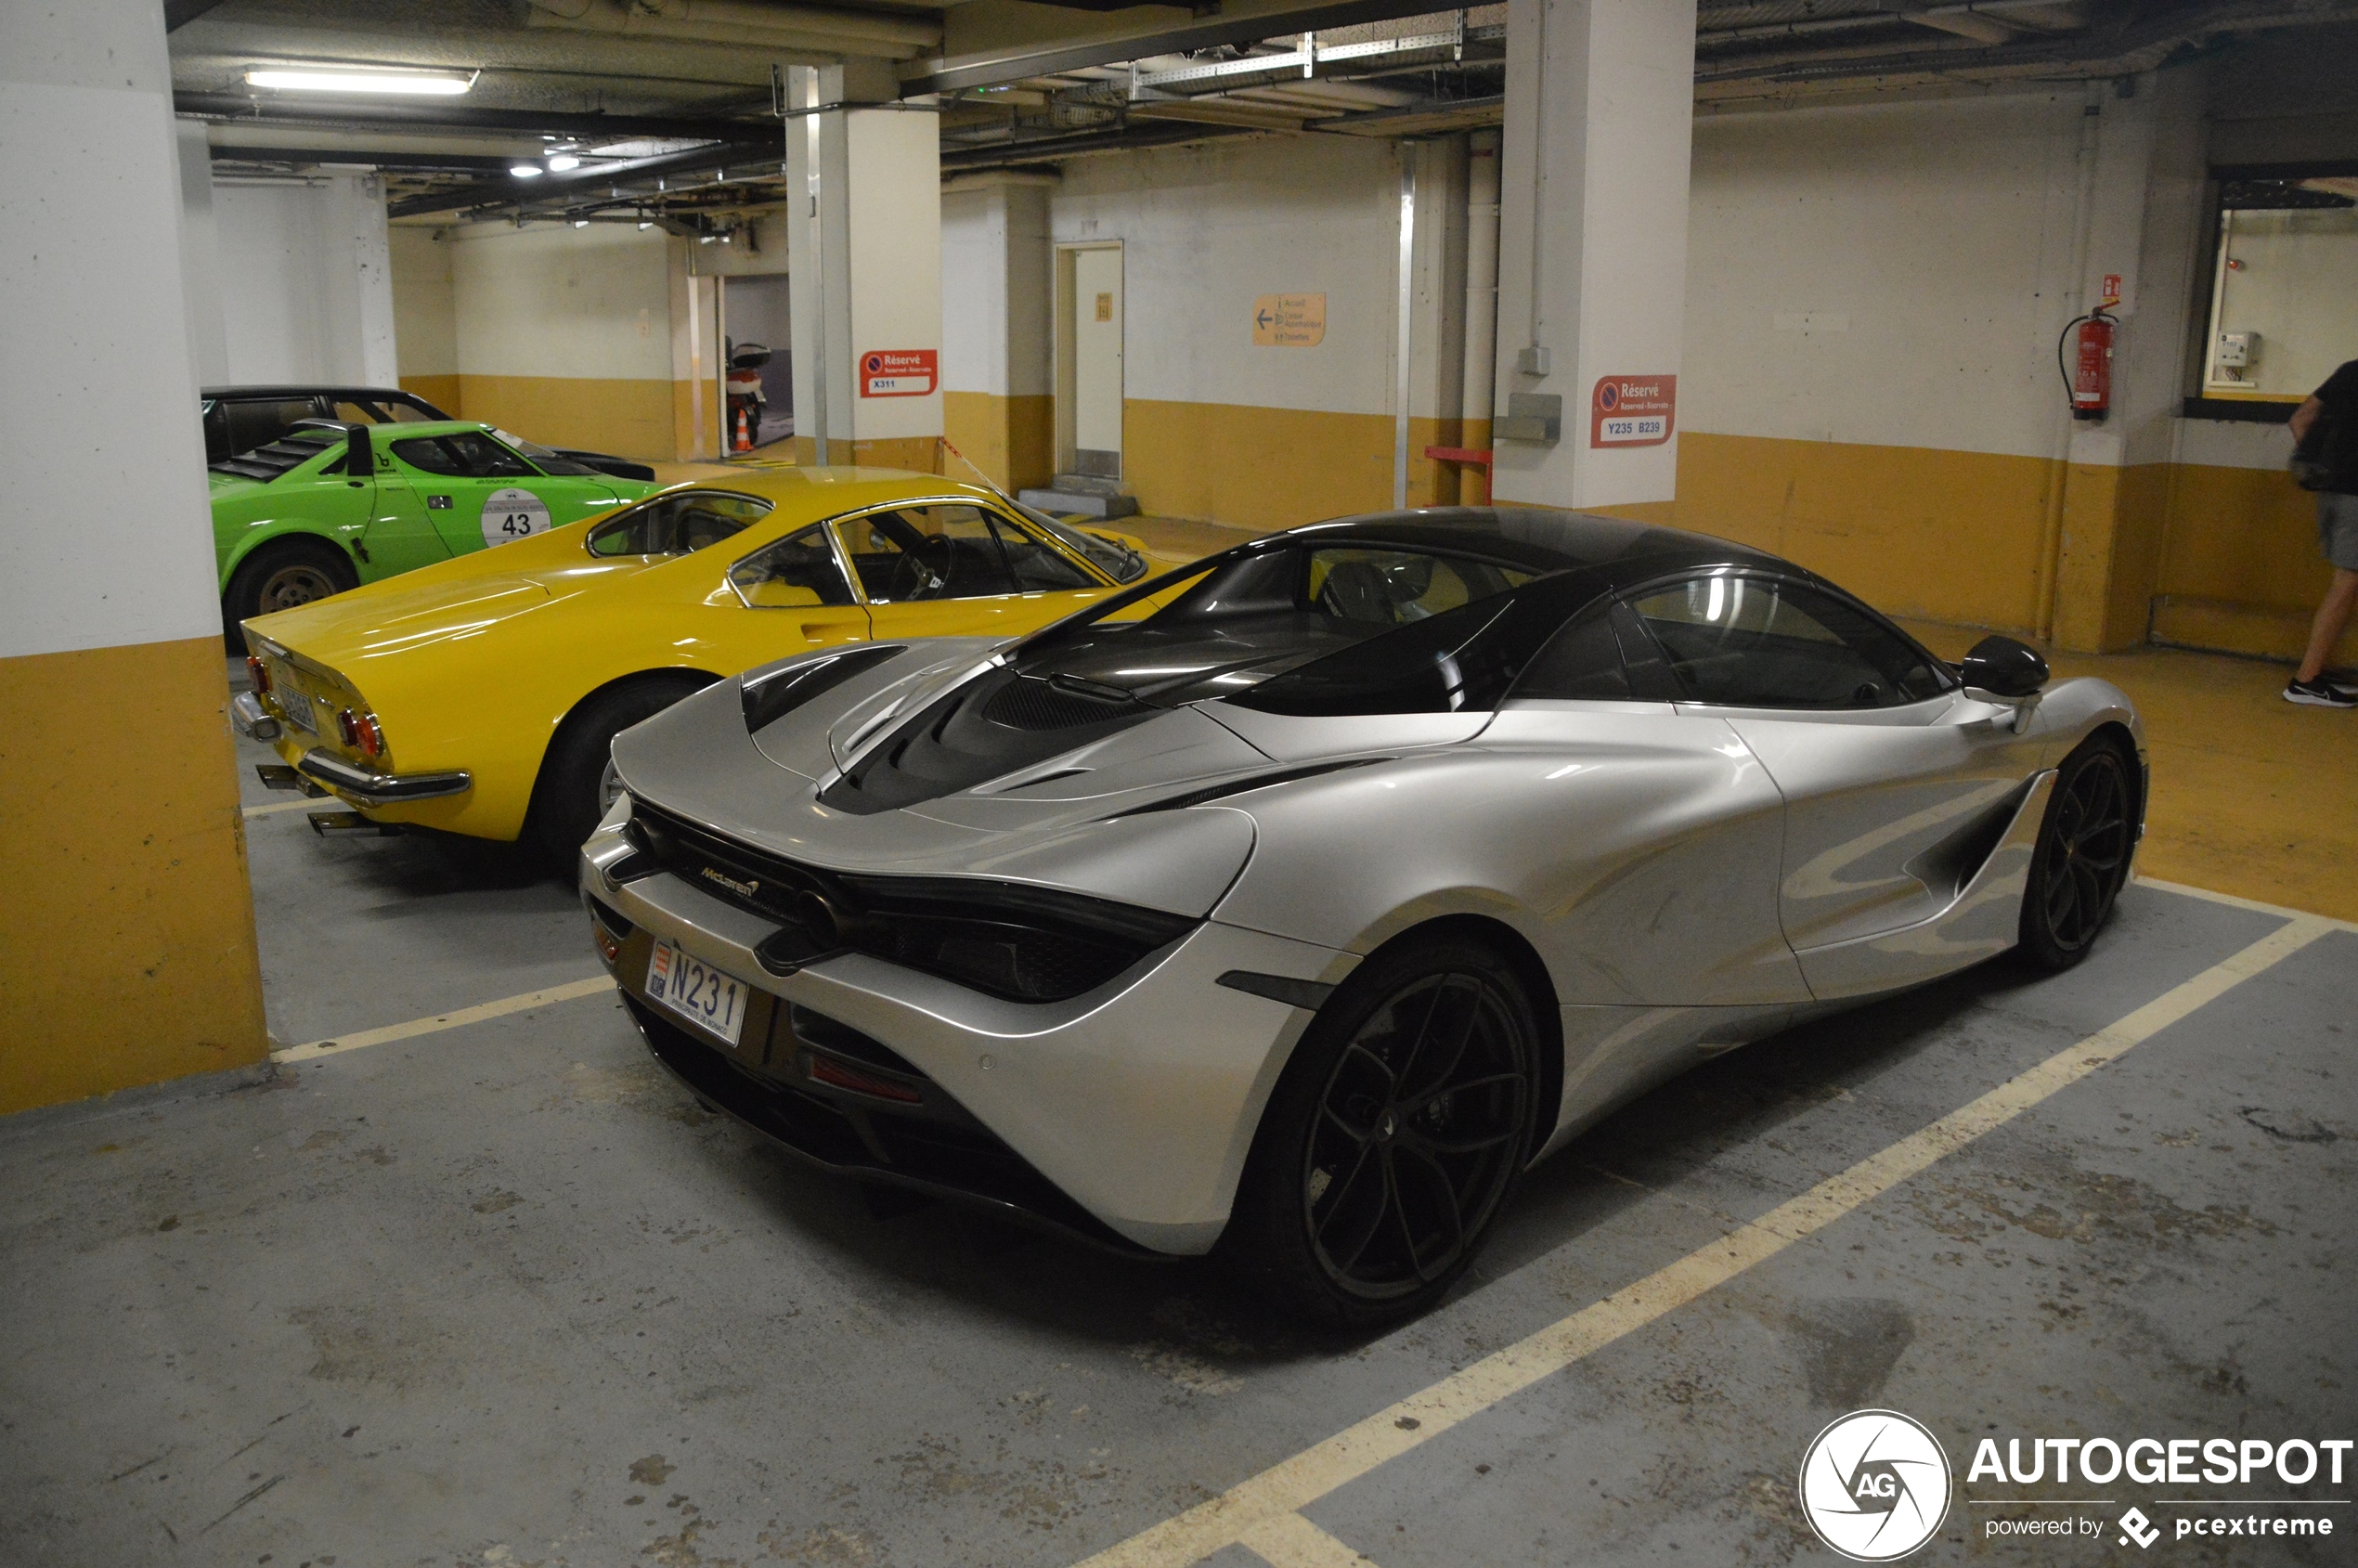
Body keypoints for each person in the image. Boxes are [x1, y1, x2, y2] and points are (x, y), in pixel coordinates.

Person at [2286, 359, 2358, 706]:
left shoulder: (2349, 371)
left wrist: (2332, 471)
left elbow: (2299, 420)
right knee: (2347, 582)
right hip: (2356, 498)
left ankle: (2316, 670)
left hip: (2330, 491)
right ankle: (2306, 681)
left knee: (2346, 580)